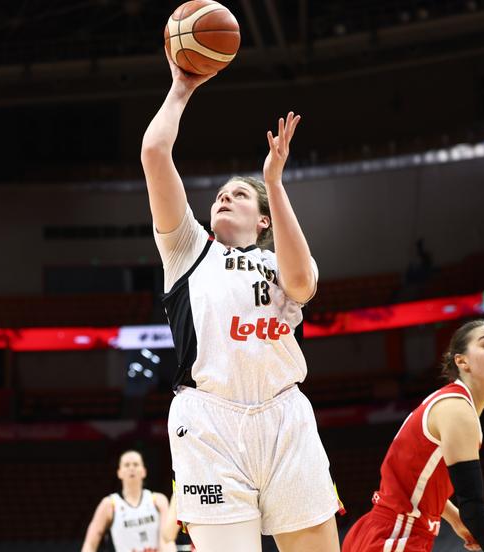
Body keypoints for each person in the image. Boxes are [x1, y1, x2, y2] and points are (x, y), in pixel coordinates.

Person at [140, 49, 341, 552]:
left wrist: (273, 182)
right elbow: (154, 155)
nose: (224, 198)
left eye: (239, 195)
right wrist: (182, 89)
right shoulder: (187, 248)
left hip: (284, 416)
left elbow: (303, 284)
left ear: (264, 220)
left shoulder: (279, 261)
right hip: (209, 422)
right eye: (219, 196)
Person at [343, 319, 484, 552]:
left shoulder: (450, 403)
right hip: (396, 536)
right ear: (462, 361)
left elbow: (416, 476)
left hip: (385, 531)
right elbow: (472, 507)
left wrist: (454, 518)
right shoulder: (457, 409)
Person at [81, 450, 173, 552]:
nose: (131, 468)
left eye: (136, 464)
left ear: (144, 471)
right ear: (119, 473)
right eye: (126, 465)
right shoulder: (109, 504)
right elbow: (90, 544)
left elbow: (167, 540)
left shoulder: (158, 500)